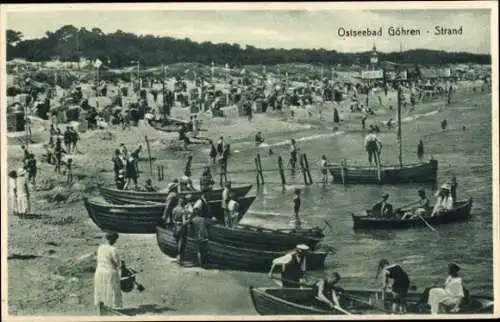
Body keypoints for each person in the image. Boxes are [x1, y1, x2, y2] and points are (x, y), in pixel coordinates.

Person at [94, 232, 123, 309]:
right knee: (112, 289)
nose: (115, 241)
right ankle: (113, 308)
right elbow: (117, 263)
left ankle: (103, 307)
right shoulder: (113, 249)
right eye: (115, 240)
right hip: (109, 272)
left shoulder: (100, 247)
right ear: (113, 239)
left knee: (101, 289)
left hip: (99, 271)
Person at [172, 197, 189, 266]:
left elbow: (172, 219)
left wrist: (176, 223)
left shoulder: (174, 209)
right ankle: (180, 260)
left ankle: (177, 258)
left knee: (177, 242)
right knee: (181, 244)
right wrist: (189, 220)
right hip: (182, 228)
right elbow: (184, 222)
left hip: (175, 227)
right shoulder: (183, 211)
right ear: (183, 202)